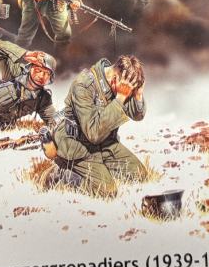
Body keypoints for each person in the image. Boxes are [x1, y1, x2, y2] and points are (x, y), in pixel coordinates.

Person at [48, 54, 146, 197]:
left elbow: (137, 115)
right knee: (107, 191)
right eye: (129, 90)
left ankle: (101, 170)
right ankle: (63, 174)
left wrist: (138, 95)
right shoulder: (83, 85)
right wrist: (120, 98)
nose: (128, 92)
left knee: (139, 174)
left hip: (104, 143)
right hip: (79, 146)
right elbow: (93, 134)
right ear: (115, 79)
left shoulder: (122, 83)